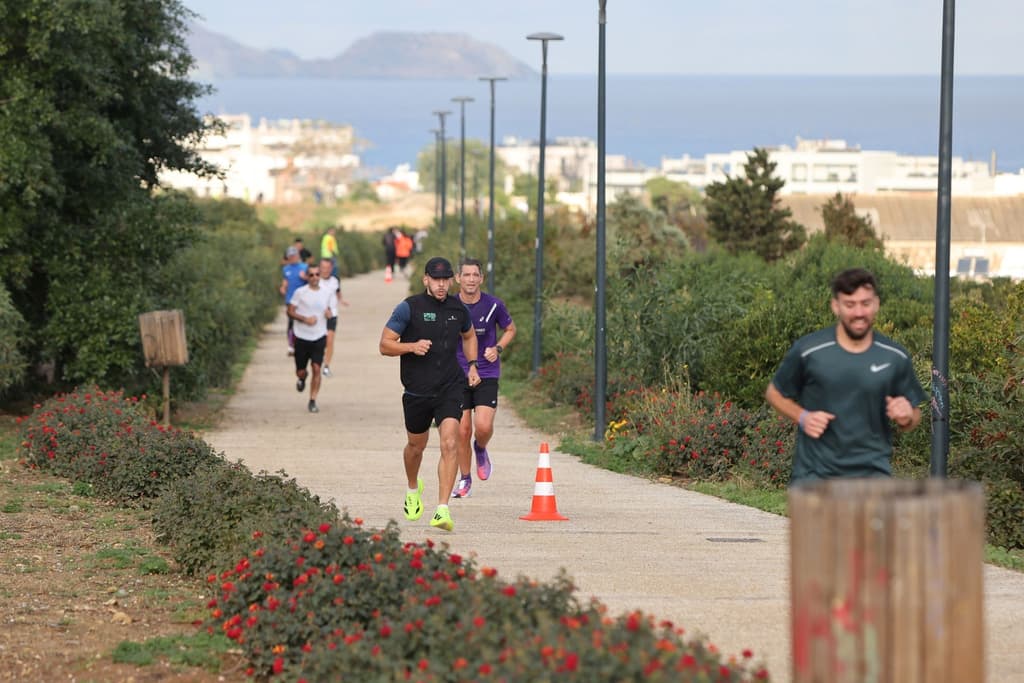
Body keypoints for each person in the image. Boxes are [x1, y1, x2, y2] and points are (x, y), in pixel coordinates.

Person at [765, 267, 927, 484]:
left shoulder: (894, 356)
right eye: (850, 304)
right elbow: (774, 393)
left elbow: (914, 415)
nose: (859, 313)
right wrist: (802, 417)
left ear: (876, 303)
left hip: (872, 478)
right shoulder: (809, 350)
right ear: (836, 306)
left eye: (865, 303)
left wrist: (907, 416)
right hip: (814, 478)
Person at [379, 256, 480, 532]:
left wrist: (472, 365)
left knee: (450, 442)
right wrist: (411, 347)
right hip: (416, 391)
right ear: (425, 279)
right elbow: (385, 345)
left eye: (445, 279)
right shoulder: (409, 308)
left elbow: (469, 336)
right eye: (436, 279)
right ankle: (413, 488)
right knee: (416, 447)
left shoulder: (457, 309)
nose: (441, 284)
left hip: (450, 387)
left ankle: (442, 509)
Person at [450, 258, 516, 499]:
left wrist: (497, 348)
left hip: (487, 371)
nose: (470, 279)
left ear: (481, 279)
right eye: (465, 275)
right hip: (457, 373)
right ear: (457, 279)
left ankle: (481, 448)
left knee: (483, 427)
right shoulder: (450, 306)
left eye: (474, 275)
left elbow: (510, 329)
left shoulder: (493, 305)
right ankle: (465, 479)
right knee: (463, 430)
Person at [288, 262, 335, 413]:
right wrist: (304, 319)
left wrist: (329, 314)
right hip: (301, 336)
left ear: (320, 276)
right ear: (307, 277)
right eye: (311, 275)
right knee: (301, 370)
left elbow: (331, 310)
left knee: (316, 368)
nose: (314, 277)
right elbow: (290, 311)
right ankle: (302, 378)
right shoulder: (300, 292)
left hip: (319, 335)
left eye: (317, 274)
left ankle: (312, 400)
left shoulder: (327, 292)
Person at [318, 258, 349, 378]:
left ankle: (326, 366)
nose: (325, 270)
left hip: (332, 315)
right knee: (319, 342)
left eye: (327, 268)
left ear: (331, 268)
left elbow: (337, 292)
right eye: (323, 268)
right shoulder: (315, 280)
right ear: (320, 268)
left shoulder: (335, 280)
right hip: (318, 316)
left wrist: (341, 300)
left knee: (330, 340)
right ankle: (316, 362)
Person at [279, 246, 308, 355]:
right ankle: (291, 345)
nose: (292, 258)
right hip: (290, 299)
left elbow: (312, 281)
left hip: (303, 300)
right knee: (291, 323)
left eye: (294, 255)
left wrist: (305, 277)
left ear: (298, 256)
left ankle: (303, 344)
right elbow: (285, 281)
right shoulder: (286, 269)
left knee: (303, 322)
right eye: (290, 256)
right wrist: (283, 288)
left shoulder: (304, 267)